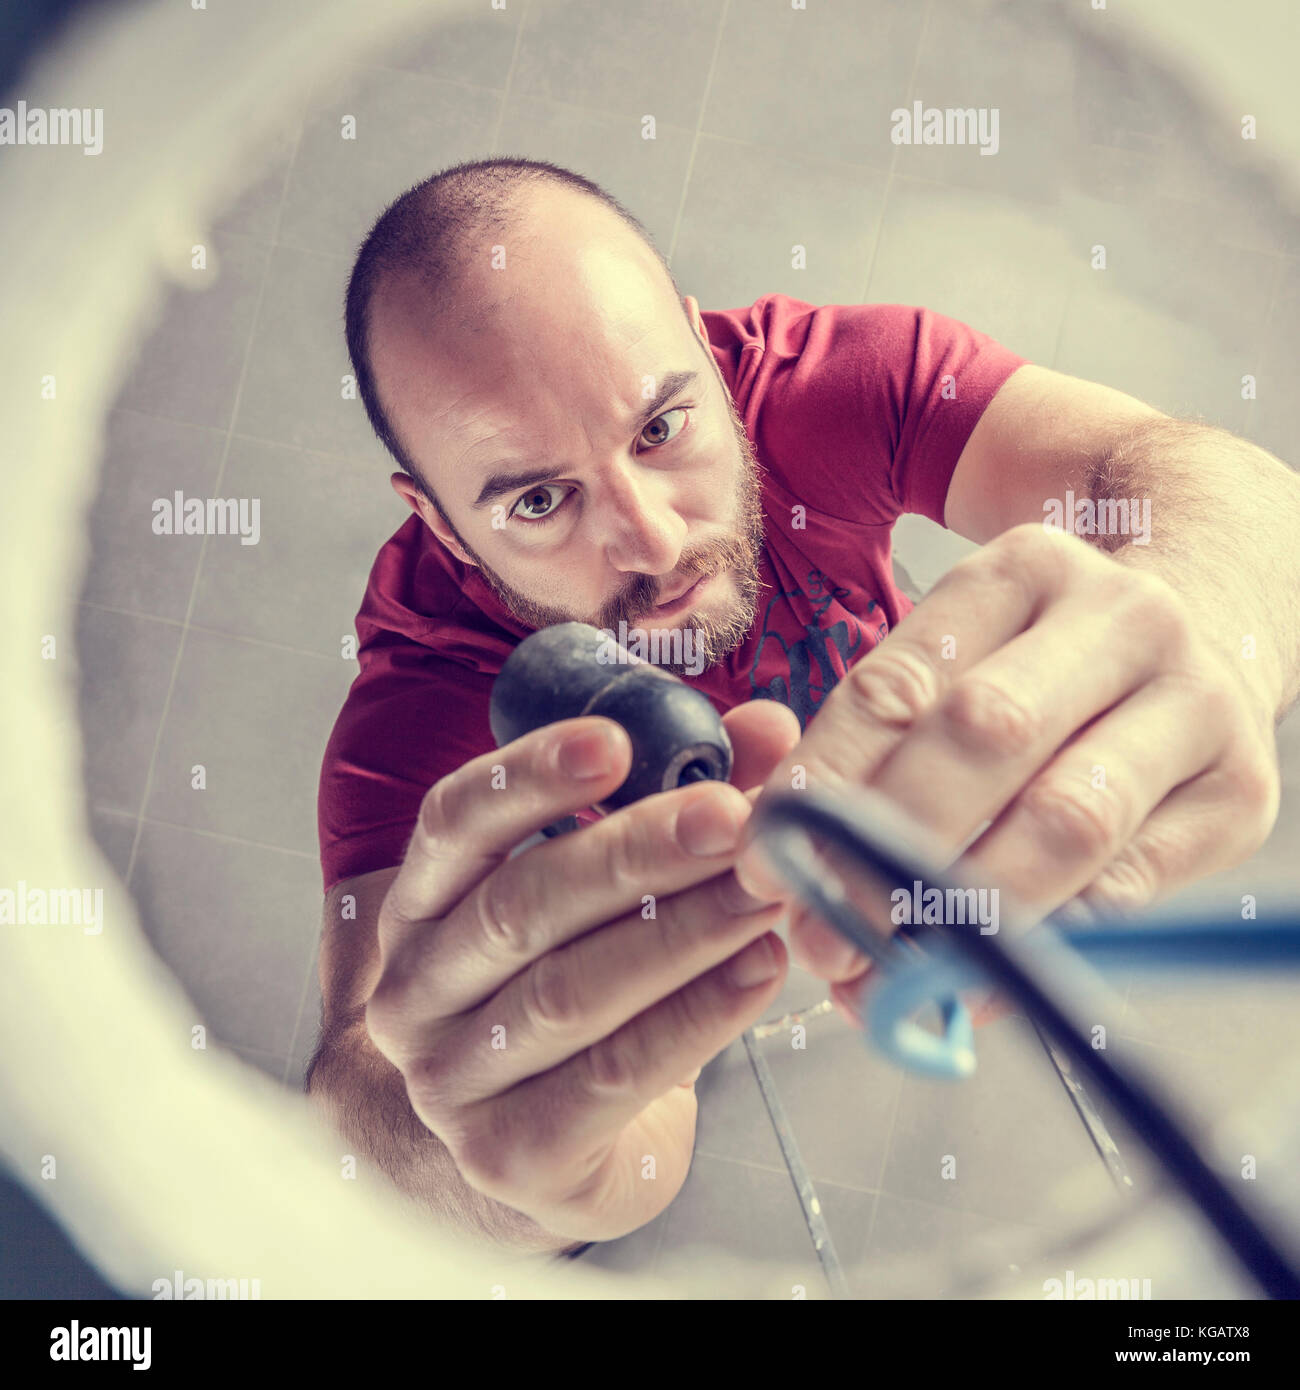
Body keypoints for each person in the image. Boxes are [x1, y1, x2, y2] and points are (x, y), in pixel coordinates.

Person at [306, 156, 1299, 1259]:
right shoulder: (430, 683)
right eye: (538, 501)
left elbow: (1203, 485)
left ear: (700, 349)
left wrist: (1208, 610)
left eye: (659, 431)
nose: (653, 539)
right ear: (439, 524)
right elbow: (364, 1096)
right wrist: (511, 1158)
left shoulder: (809, 384)